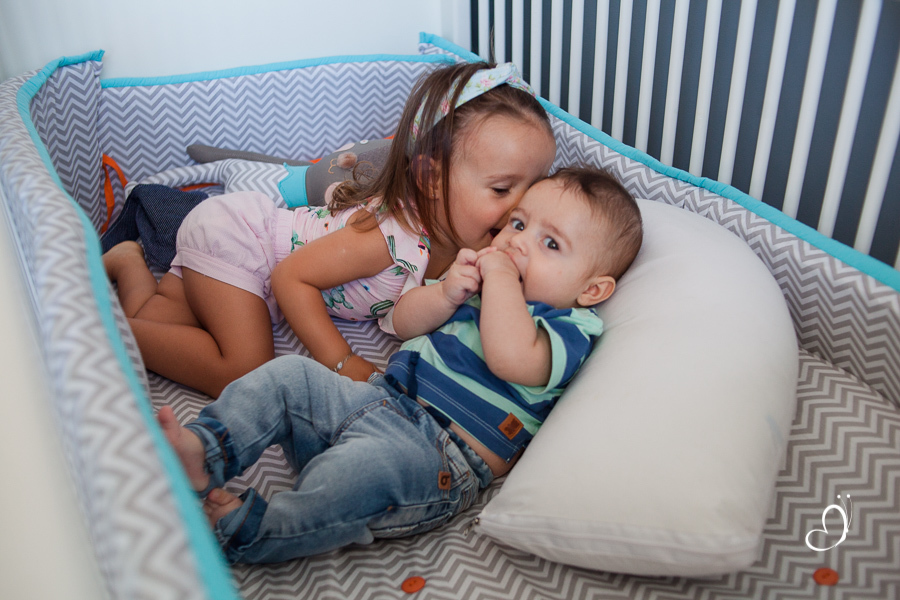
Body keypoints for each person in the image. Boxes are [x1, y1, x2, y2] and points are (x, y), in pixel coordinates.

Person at [158, 166, 644, 564]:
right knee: (289, 377)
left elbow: (510, 357)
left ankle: (258, 530)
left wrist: (496, 278)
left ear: (592, 289)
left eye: (550, 243)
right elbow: (405, 323)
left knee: (360, 474)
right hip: (376, 399)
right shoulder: (481, 287)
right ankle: (207, 451)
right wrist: (446, 292)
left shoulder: (569, 327)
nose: (517, 243)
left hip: (435, 457)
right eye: (517, 225)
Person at [103, 61, 557, 397]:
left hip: (248, 263)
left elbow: (405, 317)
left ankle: (128, 263)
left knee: (162, 325)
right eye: (501, 188)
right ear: (430, 179)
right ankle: (102, 332)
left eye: (535, 186)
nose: (522, 205)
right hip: (243, 241)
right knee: (242, 370)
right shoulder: (391, 236)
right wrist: (342, 361)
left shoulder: (470, 246)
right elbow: (289, 277)